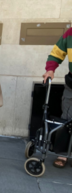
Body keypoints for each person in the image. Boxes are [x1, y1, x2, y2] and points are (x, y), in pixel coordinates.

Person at [43, 27, 72, 168]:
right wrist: (50, 70)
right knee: (66, 118)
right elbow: (56, 53)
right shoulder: (70, 33)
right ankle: (62, 153)